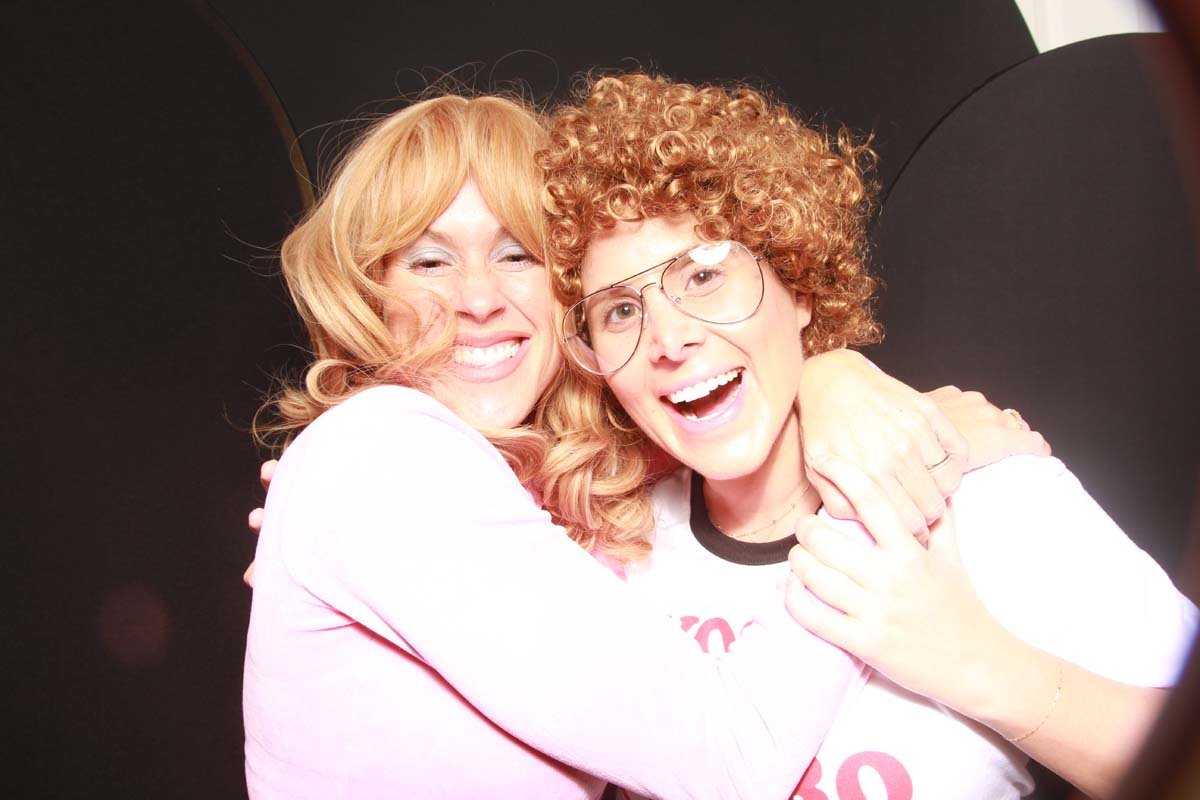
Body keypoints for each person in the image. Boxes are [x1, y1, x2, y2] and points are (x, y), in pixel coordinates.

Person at [243, 90, 1041, 799]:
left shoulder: (574, 493)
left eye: (516, 254)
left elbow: (729, 408)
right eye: (430, 260)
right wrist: (892, 468)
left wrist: (838, 379)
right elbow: (733, 763)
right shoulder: (386, 459)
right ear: (370, 293)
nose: (478, 298)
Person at [539, 73, 1198, 799]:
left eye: (702, 276)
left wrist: (983, 667)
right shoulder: (612, 545)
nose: (669, 339)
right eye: (620, 311)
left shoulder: (985, 498)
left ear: (797, 286)